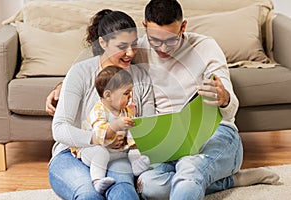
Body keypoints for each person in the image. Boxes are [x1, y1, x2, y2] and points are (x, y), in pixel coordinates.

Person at [46, 1, 279, 199]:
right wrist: (63, 87)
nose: (162, 48)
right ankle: (227, 181)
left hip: (211, 132)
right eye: (155, 40)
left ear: (183, 27)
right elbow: (96, 64)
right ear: (145, 27)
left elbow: (229, 111)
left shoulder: (204, 48)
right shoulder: (137, 49)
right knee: (147, 186)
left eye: (171, 40)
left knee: (189, 169)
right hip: (162, 140)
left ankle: (202, 175)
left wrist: (225, 98)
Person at [48, 9, 155, 200]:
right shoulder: (81, 72)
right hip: (72, 153)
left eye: (134, 45)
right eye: (122, 46)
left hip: (118, 156)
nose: (130, 53)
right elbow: (60, 129)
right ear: (103, 43)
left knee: (124, 193)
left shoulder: (141, 79)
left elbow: (148, 130)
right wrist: (102, 137)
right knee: (89, 195)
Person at [74, 65, 150, 194]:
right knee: (100, 153)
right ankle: (97, 181)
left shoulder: (125, 111)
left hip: (115, 151)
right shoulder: (98, 110)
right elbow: (99, 135)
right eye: (126, 94)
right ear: (108, 95)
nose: (129, 98)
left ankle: (136, 166)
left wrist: (135, 142)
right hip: (91, 150)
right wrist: (116, 126)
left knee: (133, 148)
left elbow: (131, 132)